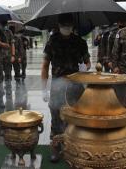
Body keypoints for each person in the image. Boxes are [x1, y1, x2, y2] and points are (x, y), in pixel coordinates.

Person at [41, 13, 91, 162]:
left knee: (76, 119)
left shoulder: (80, 42)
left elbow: (88, 62)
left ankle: (74, 148)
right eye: (63, 26)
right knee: (56, 119)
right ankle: (56, 149)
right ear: (59, 26)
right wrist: (44, 88)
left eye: (68, 26)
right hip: (57, 86)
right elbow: (45, 66)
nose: (66, 29)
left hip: (76, 87)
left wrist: (85, 67)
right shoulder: (52, 42)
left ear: (73, 26)